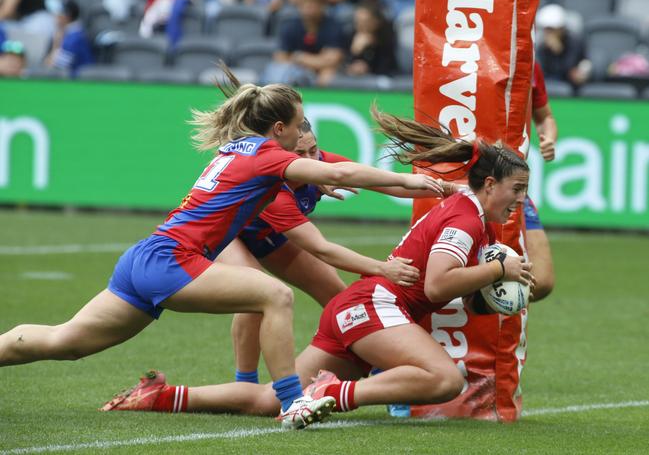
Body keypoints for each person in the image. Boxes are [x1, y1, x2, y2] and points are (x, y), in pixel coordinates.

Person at [0, 71, 439, 429]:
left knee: (66, 341)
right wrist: (413, 182)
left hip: (146, 256)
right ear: (280, 128)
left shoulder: (242, 148)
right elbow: (342, 177)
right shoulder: (268, 155)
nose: (308, 131)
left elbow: (332, 171)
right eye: (301, 122)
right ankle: (291, 402)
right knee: (273, 295)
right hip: (172, 260)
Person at [100, 107, 535, 419]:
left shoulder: (467, 211)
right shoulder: (466, 219)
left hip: (360, 307)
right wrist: (497, 271)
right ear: (491, 184)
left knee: (272, 401)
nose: (522, 201)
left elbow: (384, 185)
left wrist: (438, 189)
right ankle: (323, 389)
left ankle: (161, 396)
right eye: (517, 189)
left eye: (313, 151)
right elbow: (432, 283)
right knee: (446, 379)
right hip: (244, 242)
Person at [227, 118, 443, 383]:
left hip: (270, 237)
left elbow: (391, 185)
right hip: (230, 234)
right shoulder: (275, 190)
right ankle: (245, 385)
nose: (311, 159)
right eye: (300, 154)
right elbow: (322, 249)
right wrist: (383, 268)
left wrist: (454, 190)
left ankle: (384, 370)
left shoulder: (322, 164)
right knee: (255, 294)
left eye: (313, 151)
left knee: (342, 301)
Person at [263, 0, 345, 86]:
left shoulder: (334, 27)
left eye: (313, 2)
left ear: (322, 5)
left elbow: (332, 61)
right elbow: (280, 57)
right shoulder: (290, 26)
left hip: (320, 72)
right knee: (278, 70)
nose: (308, 6)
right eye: (304, 2)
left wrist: (299, 57)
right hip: (296, 71)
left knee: (328, 74)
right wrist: (316, 61)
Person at [524, 61, 557, 300]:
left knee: (542, 280)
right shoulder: (465, 54)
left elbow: (545, 117)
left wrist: (549, 138)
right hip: (468, 183)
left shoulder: (529, 63)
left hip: (511, 186)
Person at [535, 4, 591, 87]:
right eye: (546, 29)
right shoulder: (542, 45)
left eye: (551, 29)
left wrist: (559, 51)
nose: (548, 33)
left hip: (572, 86)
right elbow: (542, 70)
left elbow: (568, 70)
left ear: (561, 29)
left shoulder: (574, 42)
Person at [346, 1, 397, 77]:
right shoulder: (350, 34)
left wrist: (368, 68)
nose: (360, 25)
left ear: (377, 22)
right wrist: (354, 52)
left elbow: (386, 68)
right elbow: (344, 65)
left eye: (365, 21)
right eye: (357, 21)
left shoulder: (387, 39)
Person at [45, 0, 95, 77]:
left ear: (67, 16)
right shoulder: (71, 34)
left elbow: (54, 69)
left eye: (58, 13)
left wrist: (56, 44)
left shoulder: (74, 39)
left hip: (78, 84)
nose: (55, 16)